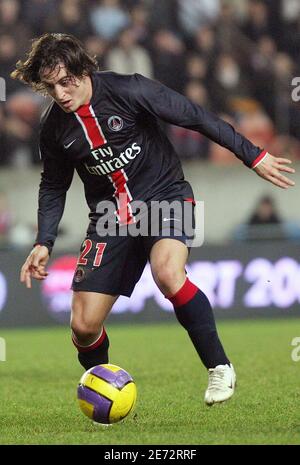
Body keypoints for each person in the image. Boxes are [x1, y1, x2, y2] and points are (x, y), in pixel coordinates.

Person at [13, 33, 295, 406]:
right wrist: (43, 241)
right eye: (51, 87)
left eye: (67, 82)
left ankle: (219, 367)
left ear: (84, 70)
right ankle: (104, 391)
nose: (61, 94)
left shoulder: (129, 90)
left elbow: (196, 116)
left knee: (168, 274)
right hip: (110, 218)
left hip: (165, 197)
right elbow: (53, 186)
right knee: (83, 326)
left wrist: (253, 156)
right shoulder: (54, 130)